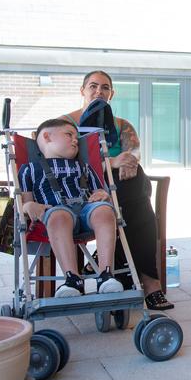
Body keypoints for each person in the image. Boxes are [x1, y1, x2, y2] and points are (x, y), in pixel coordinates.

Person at [62, 70, 173, 310]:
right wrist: (110, 164)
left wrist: (126, 163)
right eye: (93, 86)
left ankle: (108, 262)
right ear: (82, 90)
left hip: (119, 187)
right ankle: (149, 283)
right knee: (138, 203)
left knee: (134, 181)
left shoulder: (122, 125)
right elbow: (64, 164)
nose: (98, 91)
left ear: (112, 94)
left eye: (104, 87)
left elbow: (133, 156)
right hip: (80, 188)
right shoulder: (66, 124)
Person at [18, 118, 123, 297]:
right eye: (69, 135)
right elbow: (25, 203)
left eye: (77, 137)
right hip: (55, 214)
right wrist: (29, 205)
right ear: (47, 137)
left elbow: (99, 190)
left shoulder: (84, 167)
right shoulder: (30, 169)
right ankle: (72, 278)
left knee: (105, 210)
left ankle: (105, 275)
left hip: (86, 211)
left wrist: (102, 195)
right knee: (59, 215)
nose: (76, 140)